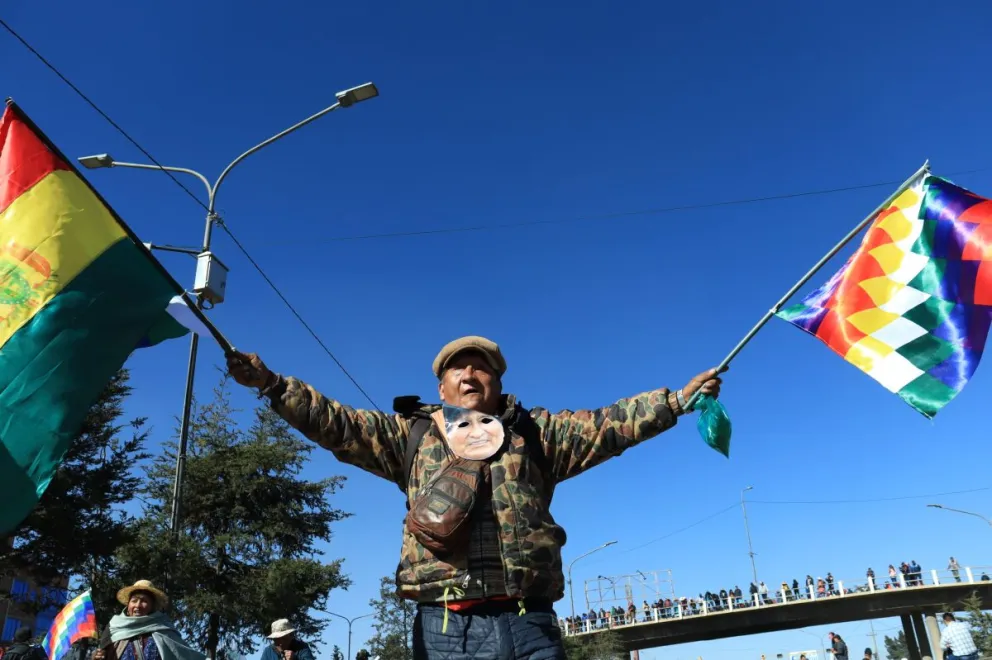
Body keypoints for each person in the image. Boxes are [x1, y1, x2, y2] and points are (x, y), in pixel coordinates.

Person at [227, 335, 724, 660]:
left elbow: (611, 424)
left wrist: (676, 401)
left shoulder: (537, 434)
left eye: (481, 368)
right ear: (441, 385)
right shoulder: (411, 435)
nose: (469, 375)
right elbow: (336, 423)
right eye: (457, 369)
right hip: (446, 627)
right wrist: (272, 384)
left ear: (498, 382)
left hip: (530, 622)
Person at [93, 580, 205, 660]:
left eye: (144, 601)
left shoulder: (164, 628)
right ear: (128, 604)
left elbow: (187, 655)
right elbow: (103, 654)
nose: (138, 605)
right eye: (134, 600)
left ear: (152, 606)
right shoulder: (114, 627)